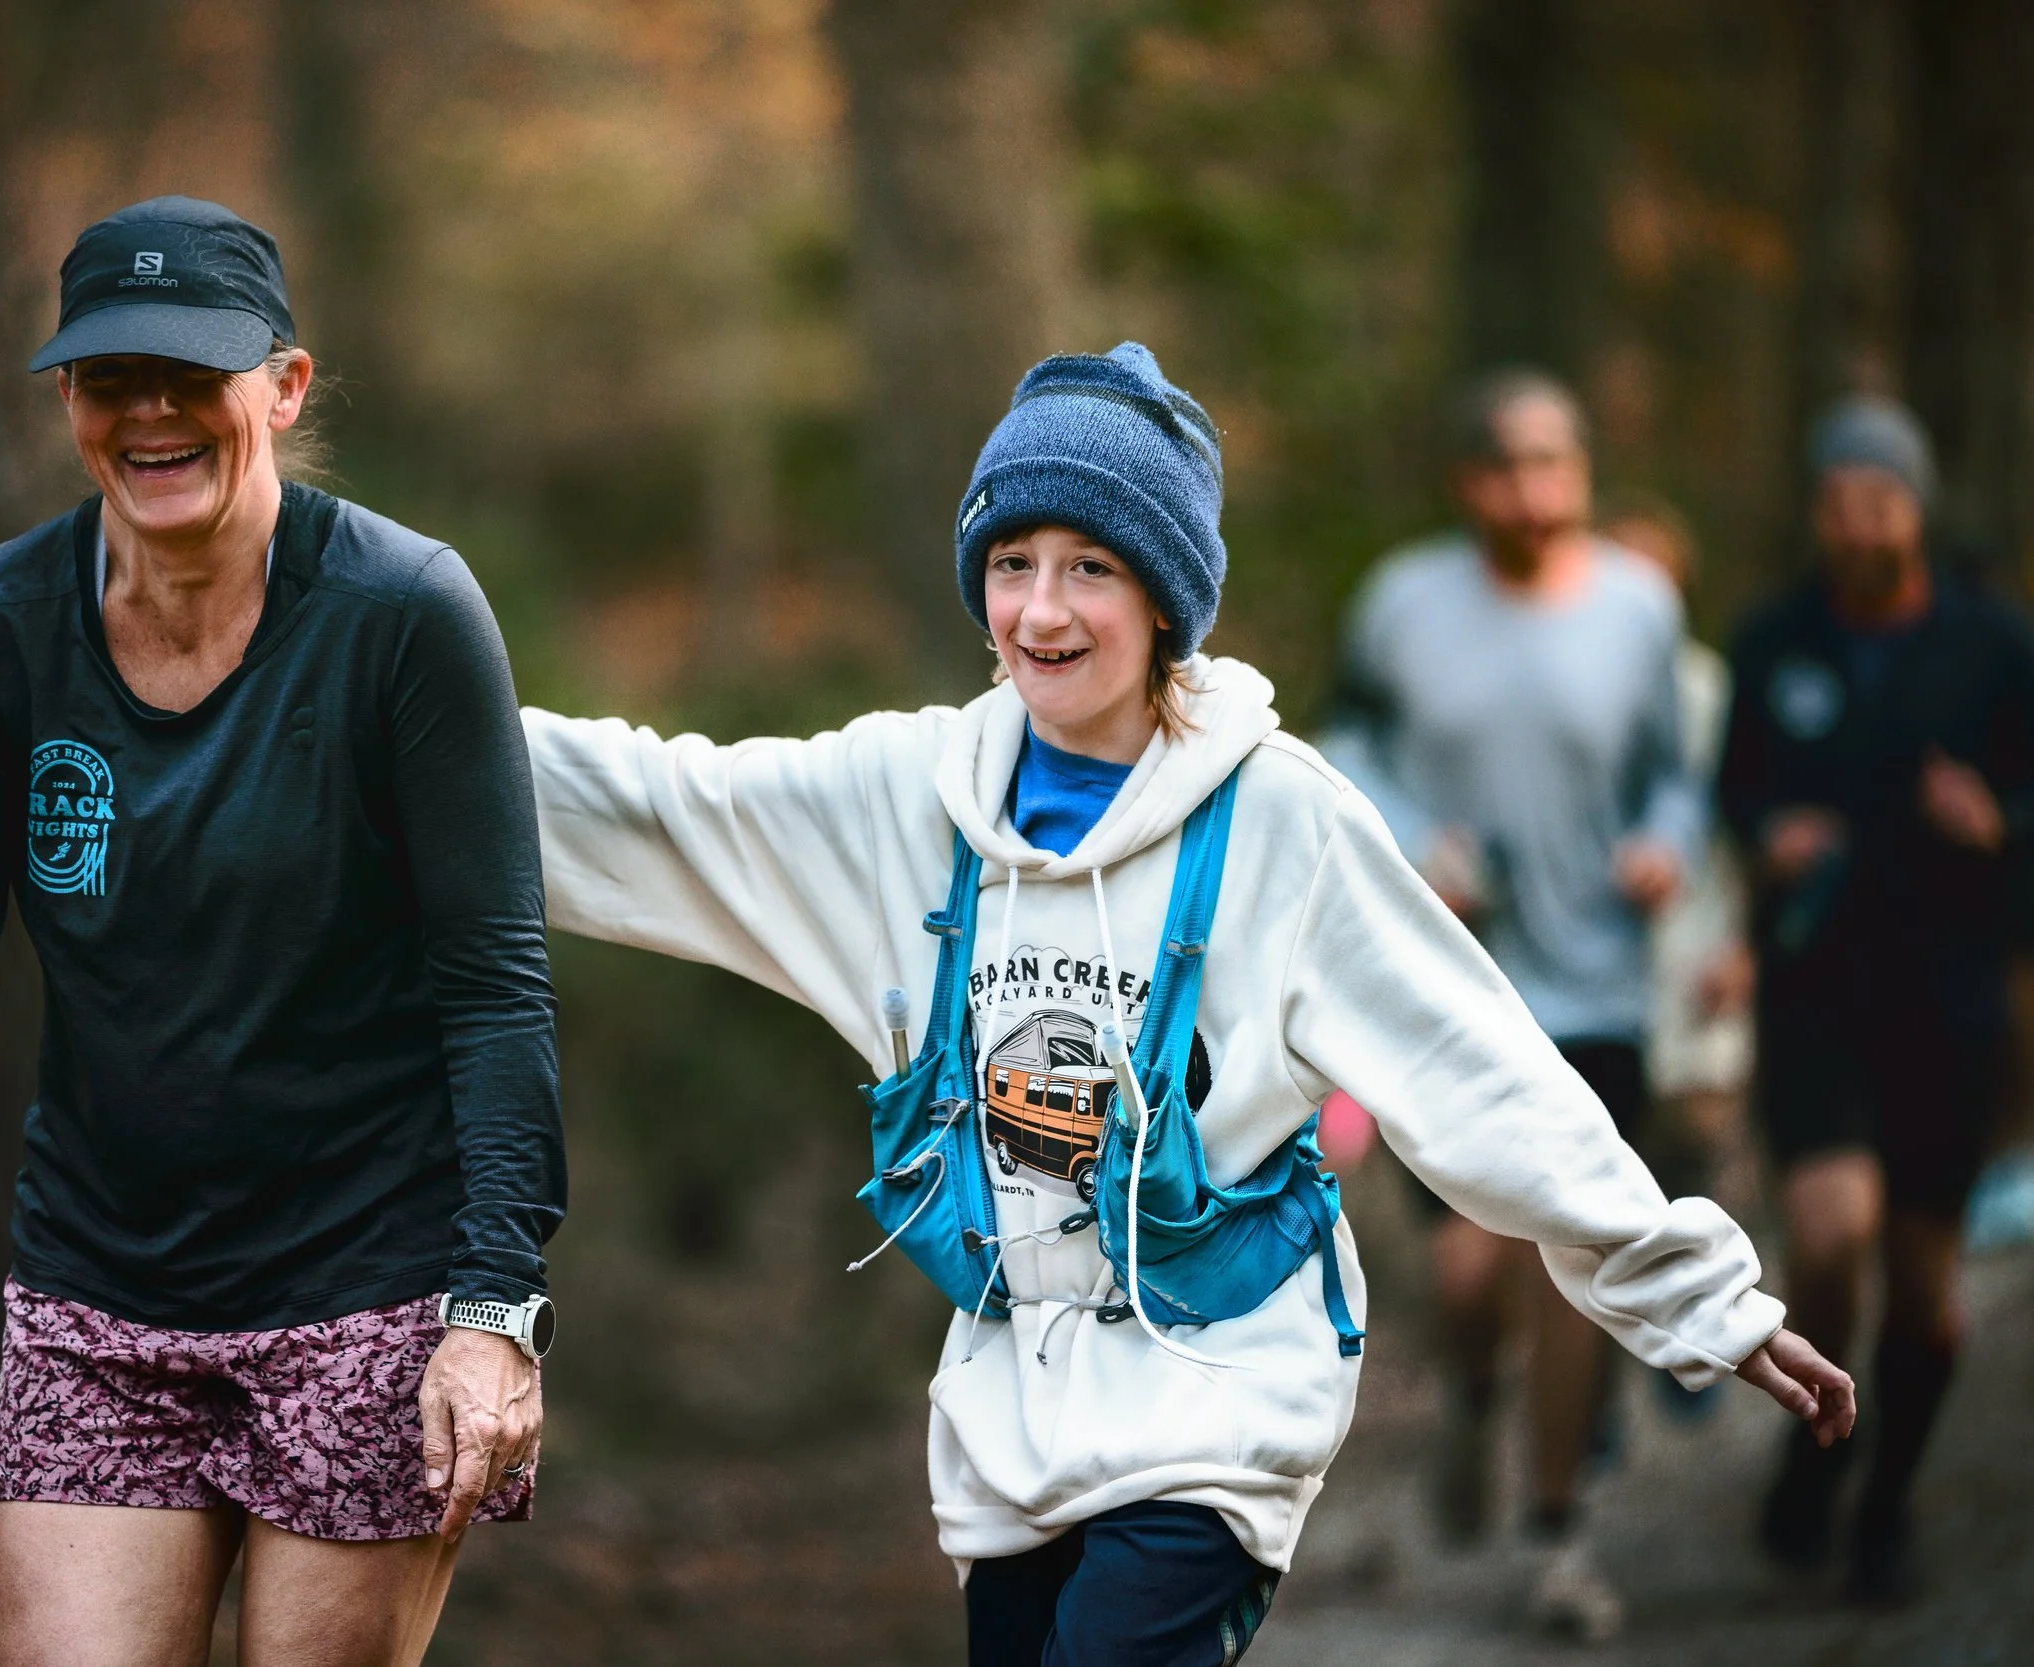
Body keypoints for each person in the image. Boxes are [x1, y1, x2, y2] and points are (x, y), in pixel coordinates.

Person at [521, 343, 1852, 1665]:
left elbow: (1475, 1063)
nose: (1041, 610)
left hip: (1222, 1388)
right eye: (1011, 563)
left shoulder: (1280, 815)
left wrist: (1701, 1295)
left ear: (1165, 596)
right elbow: (652, 809)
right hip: (1012, 1398)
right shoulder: (906, 797)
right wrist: (381, 697)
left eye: (1089, 566)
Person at [0, 197, 565, 1666]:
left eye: (191, 373)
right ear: (66, 403)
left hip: (368, 1289)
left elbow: (493, 986)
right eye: (109, 379)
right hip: (100, 1299)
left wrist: (496, 1309)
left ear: (283, 387)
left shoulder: (402, 613)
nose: (150, 411)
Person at [1319, 369, 1700, 1638]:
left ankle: (1562, 1537)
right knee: (1471, 1273)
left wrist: (1660, 840)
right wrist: (1412, 832)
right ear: (1468, 482)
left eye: (1557, 464)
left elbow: (1672, 772)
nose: (1537, 492)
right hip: (1442, 984)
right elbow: (1346, 742)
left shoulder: (1639, 606)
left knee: (1570, 1265)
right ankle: (1473, 1394)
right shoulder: (1403, 604)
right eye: (1512, 468)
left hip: (1595, 987)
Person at [1721, 395, 2034, 1601]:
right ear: (1816, 511)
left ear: (1915, 505)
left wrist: (1997, 819)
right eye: (1838, 499)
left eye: (1880, 498)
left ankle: (1886, 1501)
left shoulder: (1992, 643)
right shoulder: (1771, 641)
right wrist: (1769, 835)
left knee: (1926, 1291)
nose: (1859, 522)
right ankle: (1813, 1455)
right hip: (1815, 996)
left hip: (1948, 1005)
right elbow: (1733, 790)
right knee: (1830, 1236)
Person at [1600, 493, 1759, 1227]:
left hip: (1698, 961)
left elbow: (1749, 831)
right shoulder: (1565, 691)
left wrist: (1745, 948)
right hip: (1589, 983)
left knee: (1696, 1186)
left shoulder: (1716, 693)